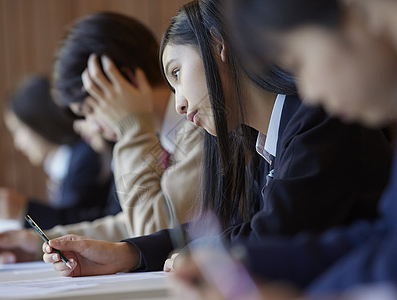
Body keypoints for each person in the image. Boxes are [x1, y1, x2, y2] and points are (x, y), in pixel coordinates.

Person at [41, 0, 392, 279]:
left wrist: (205, 254)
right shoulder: (261, 140)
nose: (178, 103)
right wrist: (128, 253)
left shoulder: (315, 115)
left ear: (217, 44)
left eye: (177, 73)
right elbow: (233, 225)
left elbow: (272, 233)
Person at [170, 0, 397, 298]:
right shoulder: (262, 147)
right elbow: (382, 238)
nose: (310, 90)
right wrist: (245, 262)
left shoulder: (314, 119)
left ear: (362, 12)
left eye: (297, 61)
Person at [0, 12, 204, 264]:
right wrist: (44, 241)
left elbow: (154, 233)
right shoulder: (161, 135)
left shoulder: (197, 128)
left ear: (123, 81)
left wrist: (131, 128)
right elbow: (131, 224)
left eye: (89, 111)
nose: (91, 127)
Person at [0, 75, 117, 230]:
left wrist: (24, 210)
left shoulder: (85, 156)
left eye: (18, 130)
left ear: (39, 122)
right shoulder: (64, 162)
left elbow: (81, 222)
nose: (18, 143)